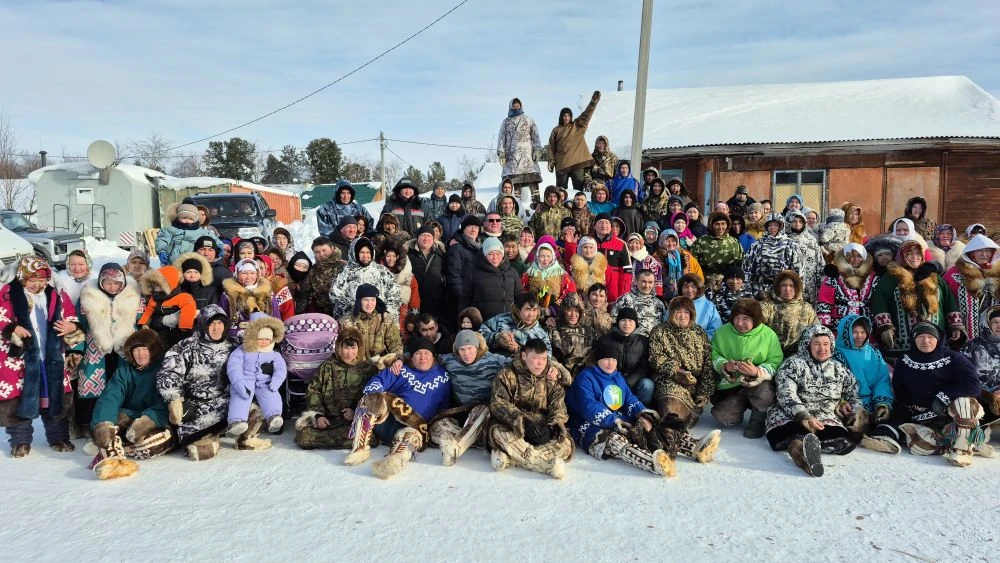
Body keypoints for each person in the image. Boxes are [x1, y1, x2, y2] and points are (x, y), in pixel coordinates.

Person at [0, 256, 82, 457]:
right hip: (19, 359)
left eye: (42, 279)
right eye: (32, 279)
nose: (37, 284)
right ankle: (20, 441)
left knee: (54, 395)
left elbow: (71, 316)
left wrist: (72, 327)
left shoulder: (56, 295)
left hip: (50, 356)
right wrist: (12, 328)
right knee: (20, 398)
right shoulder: (8, 293)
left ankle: (58, 437)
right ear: (22, 276)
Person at [879, 323, 987, 466]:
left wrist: (943, 397)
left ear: (938, 339)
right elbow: (901, 394)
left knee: (963, 403)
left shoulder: (953, 358)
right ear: (914, 339)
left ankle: (962, 450)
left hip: (952, 414)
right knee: (920, 448)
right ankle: (955, 440)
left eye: (930, 337)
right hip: (923, 418)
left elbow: (973, 385)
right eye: (921, 337)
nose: (926, 341)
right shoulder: (904, 361)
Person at [764, 325, 866, 477]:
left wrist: (855, 410)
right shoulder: (793, 364)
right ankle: (800, 452)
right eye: (817, 344)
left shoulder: (838, 368)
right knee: (792, 434)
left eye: (826, 344)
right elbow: (786, 394)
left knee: (843, 440)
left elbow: (853, 393)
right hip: (792, 415)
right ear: (807, 345)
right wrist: (804, 416)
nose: (822, 348)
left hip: (825, 416)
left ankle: (813, 447)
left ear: (831, 345)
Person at [343, 337, 451, 479]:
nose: (423, 357)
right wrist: (375, 397)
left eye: (427, 353)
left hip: (415, 427)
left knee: (411, 436)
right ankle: (360, 448)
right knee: (371, 398)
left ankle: (393, 462)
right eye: (418, 353)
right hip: (387, 421)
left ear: (433, 356)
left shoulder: (443, 376)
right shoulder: (400, 370)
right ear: (411, 357)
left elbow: (445, 408)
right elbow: (377, 382)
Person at [567, 342, 676, 478]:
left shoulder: (617, 377)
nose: (610, 363)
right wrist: (616, 422)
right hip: (586, 424)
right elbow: (589, 407)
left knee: (651, 425)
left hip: (616, 418)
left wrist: (642, 413)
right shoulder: (585, 378)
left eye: (614, 359)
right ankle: (652, 462)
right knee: (614, 440)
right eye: (606, 358)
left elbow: (629, 399)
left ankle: (690, 447)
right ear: (598, 359)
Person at [156, 305, 243, 460]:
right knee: (202, 453)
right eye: (211, 323)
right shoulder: (187, 346)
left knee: (254, 412)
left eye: (220, 323)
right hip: (195, 406)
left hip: (227, 403)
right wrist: (174, 398)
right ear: (203, 324)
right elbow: (169, 372)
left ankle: (229, 433)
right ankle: (207, 435)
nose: (216, 328)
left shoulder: (234, 345)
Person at [88, 329, 174, 479]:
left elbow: (167, 401)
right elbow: (110, 397)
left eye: (145, 349)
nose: (141, 354)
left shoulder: (165, 369)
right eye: (136, 350)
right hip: (130, 415)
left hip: (157, 421)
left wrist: (149, 420)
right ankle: (114, 458)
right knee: (109, 428)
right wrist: (102, 422)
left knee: (150, 443)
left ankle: (123, 447)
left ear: (153, 350)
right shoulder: (124, 372)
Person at [71, 263, 142, 438]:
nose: (112, 287)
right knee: (91, 384)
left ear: (123, 283)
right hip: (95, 348)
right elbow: (78, 324)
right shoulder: (88, 297)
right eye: (108, 283)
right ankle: (88, 423)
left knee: (123, 384)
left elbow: (142, 323)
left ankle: (121, 421)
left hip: (124, 348)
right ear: (101, 282)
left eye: (116, 283)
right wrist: (76, 349)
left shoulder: (134, 297)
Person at [487, 338, 573, 479]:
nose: (540, 363)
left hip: (542, 426)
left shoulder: (551, 378)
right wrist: (522, 421)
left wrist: (551, 427)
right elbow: (498, 402)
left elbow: (559, 407)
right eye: (535, 358)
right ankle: (543, 464)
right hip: (514, 426)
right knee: (498, 433)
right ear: (524, 356)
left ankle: (514, 458)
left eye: (543, 359)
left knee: (566, 444)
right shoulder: (507, 375)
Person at [871, 239, 964, 362]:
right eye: (909, 254)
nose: (915, 257)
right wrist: (885, 327)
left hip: (934, 337)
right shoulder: (890, 278)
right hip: (902, 342)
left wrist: (956, 325)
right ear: (901, 256)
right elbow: (879, 302)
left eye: (918, 253)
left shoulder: (934, 276)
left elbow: (949, 302)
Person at [431, 330, 511, 466]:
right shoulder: (449, 360)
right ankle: (484, 441)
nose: (466, 353)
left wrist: (551, 367)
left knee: (482, 409)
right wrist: (400, 359)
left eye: (470, 348)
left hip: (486, 412)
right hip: (462, 410)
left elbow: (522, 362)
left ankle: (455, 448)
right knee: (436, 426)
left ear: (477, 347)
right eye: (462, 349)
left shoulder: (493, 360)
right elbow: (425, 357)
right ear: (457, 350)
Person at [294, 327, 377, 449]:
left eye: (353, 348)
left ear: (359, 348)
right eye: (346, 348)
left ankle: (341, 438)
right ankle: (350, 440)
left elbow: (373, 396)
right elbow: (314, 391)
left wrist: (356, 411)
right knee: (304, 437)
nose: (349, 352)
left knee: (371, 436)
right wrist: (318, 415)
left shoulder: (368, 368)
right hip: (329, 420)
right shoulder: (327, 366)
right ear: (339, 347)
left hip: (354, 420)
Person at [710, 298, 783, 438]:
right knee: (724, 417)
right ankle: (736, 408)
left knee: (765, 393)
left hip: (758, 384)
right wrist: (724, 365)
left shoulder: (768, 335)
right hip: (730, 386)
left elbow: (776, 359)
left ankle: (758, 419)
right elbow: (713, 353)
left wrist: (757, 371)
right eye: (736, 318)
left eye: (745, 319)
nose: (739, 323)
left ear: (755, 319)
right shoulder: (722, 332)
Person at [831, 314, 896, 453]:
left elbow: (882, 380)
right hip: (849, 402)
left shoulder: (874, 353)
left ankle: (881, 434)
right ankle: (864, 438)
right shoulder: (835, 353)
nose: (859, 336)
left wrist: (882, 403)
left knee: (894, 413)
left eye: (863, 332)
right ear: (845, 333)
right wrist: (842, 402)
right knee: (856, 420)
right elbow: (834, 384)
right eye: (855, 332)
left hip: (872, 400)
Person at [649, 296, 715, 428]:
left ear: (692, 314)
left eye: (686, 312)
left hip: (693, 385)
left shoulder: (699, 332)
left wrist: (704, 392)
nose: (683, 316)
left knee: (687, 416)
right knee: (670, 408)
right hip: (669, 380)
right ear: (672, 313)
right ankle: (670, 426)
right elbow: (655, 357)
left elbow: (708, 362)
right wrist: (676, 372)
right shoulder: (659, 331)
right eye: (678, 312)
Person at [226, 313, 287, 439]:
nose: (264, 342)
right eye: (260, 338)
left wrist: (275, 382)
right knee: (241, 396)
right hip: (245, 380)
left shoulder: (274, 354)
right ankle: (236, 422)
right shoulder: (242, 350)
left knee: (271, 395)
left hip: (264, 382)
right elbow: (234, 367)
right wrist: (239, 384)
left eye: (267, 339)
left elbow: (281, 369)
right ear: (253, 337)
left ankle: (274, 417)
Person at [329, 237, 401, 323]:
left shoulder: (382, 271)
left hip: (380, 319)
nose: (365, 256)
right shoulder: (345, 272)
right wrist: (354, 308)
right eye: (361, 252)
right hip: (354, 320)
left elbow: (395, 292)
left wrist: (386, 311)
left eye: (368, 252)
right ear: (355, 253)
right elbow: (335, 294)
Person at [944, 234, 1000, 340]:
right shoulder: (954, 274)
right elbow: (946, 302)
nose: (984, 254)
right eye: (979, 250)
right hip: (964, 332)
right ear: (972, 252)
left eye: (988, 250)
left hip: (993, 333)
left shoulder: (997, 274)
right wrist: (955, 325)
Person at [338, 284, 403, 370]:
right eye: (365, 300)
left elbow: (395, 344)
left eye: (373, 300)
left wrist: (398, 359)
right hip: (355, 367)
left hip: (380, 365)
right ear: (359, 301)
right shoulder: (346, 322)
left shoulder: (385, 319)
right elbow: (341, 349)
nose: (369, 304)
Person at [816, 243, 879, 331]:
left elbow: (878, 303)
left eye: (859, 256)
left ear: (864, 257)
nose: (856, 259)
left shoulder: (873, 278)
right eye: (852, 256)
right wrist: (826, 328)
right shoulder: (833, 276)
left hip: (866, 329)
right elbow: (824, 304)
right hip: (839, 328)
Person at [548, 91, 601, 192]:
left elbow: (586, 114)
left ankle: (579, 203)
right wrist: (551, 161)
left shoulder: (577, 125)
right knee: (561, 192)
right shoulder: (556, 130)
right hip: (562, 165)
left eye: (568, 116)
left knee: (578, 190)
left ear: (571, 117)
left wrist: (593, 102)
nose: (566, 118)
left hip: (577, 164)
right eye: (564, 116)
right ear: (561, 117)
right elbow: (551, 147)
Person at [460, 237, 523, 322]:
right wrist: (463, 320)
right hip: (482, 323)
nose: (495, 258)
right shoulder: (473, 272)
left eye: (498, 253)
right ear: (484, 255)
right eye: (490, 254)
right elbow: (465, 300)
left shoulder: (511, 272)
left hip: (507, 323)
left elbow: (520, 297)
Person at [219, 259, 284, 340]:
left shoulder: (268, 294)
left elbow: (277, 320)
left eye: (252, 273)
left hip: (264, 340)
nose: (249, 277)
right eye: (244, 273)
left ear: (257, 274)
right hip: (236, 341)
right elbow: (222, 322)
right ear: (237, 274)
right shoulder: (228, 295)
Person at [598, 308, 653, 404]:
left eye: (630, 320)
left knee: (647, 385)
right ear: (618, 322)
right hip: (612, 381)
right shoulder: (606, 340)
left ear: (636, 323)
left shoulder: (643, 342)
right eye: (623, 320)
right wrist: (616, 381)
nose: (627, 323)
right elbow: (600, 364)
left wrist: (628, 382)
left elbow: (644, 368)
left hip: (633, 382)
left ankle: (643, 409)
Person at [136, 265, 199, 346]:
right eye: (154, 284)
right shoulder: (154, 297)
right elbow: (149, 310)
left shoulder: (182, 296)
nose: (156, 287)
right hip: (160, 330)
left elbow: (189, 307)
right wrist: (144, 323)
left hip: (178, 331)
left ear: (169, 284)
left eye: (159, 284)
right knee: (160, 345)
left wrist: (185, 326)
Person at [760, 270, 818, 357]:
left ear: (797, 288)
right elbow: (755, 319)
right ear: (778, 287)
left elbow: (817, 331)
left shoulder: (806, 308)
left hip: (800, 356)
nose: (787, 289)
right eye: (784, 285)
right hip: (772, 355)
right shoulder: (768, 306)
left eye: (792, 286)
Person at [742, 212, 800, 297]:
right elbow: (747, 268)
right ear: (766, 227)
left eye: (776, 225)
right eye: (770, 225)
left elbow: (797, 270)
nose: (773, 228)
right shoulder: (757, 245)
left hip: (783, 289)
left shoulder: (790, 244)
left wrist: (797, 290)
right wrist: (748, 290)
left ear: (781, 226)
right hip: (760, 289)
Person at [498, 98, 544, 203]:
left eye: (518, 106)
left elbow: (535, 136)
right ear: (511, 107)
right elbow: (501, 138)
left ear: (521, 106)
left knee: (533, 180)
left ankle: (536, 203)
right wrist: (501, 153)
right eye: (514, 106)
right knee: (514, 184)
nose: (516, 108)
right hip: (512, 159)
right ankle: (517, 205)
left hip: (528, 158)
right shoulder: (506, 122)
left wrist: (537, 149)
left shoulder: (528, 120)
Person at [962, 306, 1000, 431]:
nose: (999, 326)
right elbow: (962, 374)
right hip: (978, 396)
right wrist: (984, 394)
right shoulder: (972, 346)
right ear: (986, 323)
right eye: (994, 322)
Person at [481, 293, 551, 356]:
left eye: (534, 310)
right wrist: (497, 338)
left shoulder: (541, 334)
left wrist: (518, 350)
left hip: (520, 365)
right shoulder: (501, 320)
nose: (531, 314)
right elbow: (479, 335)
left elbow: (546, 359)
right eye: (527, 309)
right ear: (518, 310)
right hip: (492, 362)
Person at [690, 212, 744, 293]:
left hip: (729, 284)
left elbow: (740, 265)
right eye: (717, 224)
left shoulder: (734, 242)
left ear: (727, 225)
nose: (720, 227)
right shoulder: (700, 242)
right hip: (706, 283)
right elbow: (693, 265)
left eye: (723, 224)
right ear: (711, 225)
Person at [407, 224, 448, 324]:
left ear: (433, 239)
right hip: (416, 301)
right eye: (423, 235)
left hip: (437, 301)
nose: (426, 238)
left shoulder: (440, 254)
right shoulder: (409, 254)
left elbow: (446, 272)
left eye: (429, 236)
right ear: (417, 238)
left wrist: (442, 280)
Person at [611, 270, 666, 337]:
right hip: (631, 342)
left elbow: (664, 326)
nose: (647, 286)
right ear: (636, 281)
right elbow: (613, 324)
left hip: (654, 342)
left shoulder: (659, 304)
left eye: (650, 282)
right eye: (643, 282)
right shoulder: (624, 300)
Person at [784, 210, 824, 302]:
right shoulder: (785, 240)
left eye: (800, 221)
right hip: (792, 283)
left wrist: (821, 282)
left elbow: (819, 261)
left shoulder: (811, 239)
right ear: (789, 222)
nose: (798, 224)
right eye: (794, 221)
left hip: (810, 284)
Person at [592, 213, 633, 302]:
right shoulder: (589, 242)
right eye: (600, 222)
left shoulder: (621, 244)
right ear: (594, 226)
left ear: (611, 227)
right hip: (592, 292)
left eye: (607, 223)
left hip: (614, 292)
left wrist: (623, 295)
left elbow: (627, 272)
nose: (604, 225)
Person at [446, 215, 483, 307]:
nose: (473, 230)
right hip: (463, 300)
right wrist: (463, 299)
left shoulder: (480, 248)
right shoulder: (456, 247)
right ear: (463, 228)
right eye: (470, 226)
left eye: (476, 227)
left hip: (476, 297)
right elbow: (454, 276)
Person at [301, 236, 344, 315]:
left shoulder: (343, 267)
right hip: (322, 315)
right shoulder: (313, 270)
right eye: (317, 252)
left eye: (324, 250)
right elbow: (305, 294)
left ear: (331, 248)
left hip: (342, 312)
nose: (321, 254)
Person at [679, 274, 722, 339]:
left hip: (703, 342)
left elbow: (716, 329)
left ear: (699, 288)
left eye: (693, 286)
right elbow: (667, 326)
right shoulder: (675, 304)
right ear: (681, 289)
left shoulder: (709, 306)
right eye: (686, 287)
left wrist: (697, 339)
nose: (690, 290)